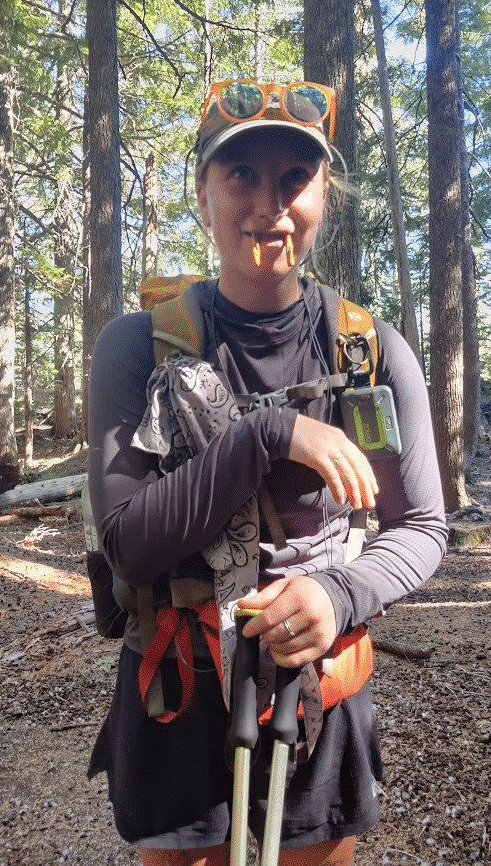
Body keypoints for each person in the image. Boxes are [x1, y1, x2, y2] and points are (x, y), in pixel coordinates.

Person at [87, 78, 448, 866]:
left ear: (325, 193)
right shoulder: (138, 347)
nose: (269, 203)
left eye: (295, 177)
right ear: (202, 190)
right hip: (175, 683)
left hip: (314, 681)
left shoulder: (367, 351)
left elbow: (421, 525)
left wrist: (336, 591)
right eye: (240, 174)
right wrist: (268, 434)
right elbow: (127, 544)